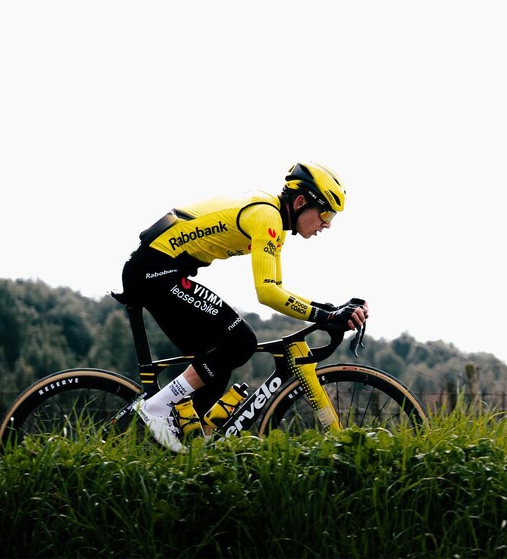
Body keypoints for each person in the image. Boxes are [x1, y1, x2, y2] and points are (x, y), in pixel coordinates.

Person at [120, 161, 369, 452]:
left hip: (158, 271)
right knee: (242, 341)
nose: (326, 224)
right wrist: (327, 314)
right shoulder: (267, 217)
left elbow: (276, 287)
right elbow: (268, 293)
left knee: (217, 363)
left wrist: (327, 309)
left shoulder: (269, 214)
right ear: (301, 202)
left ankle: (184, 449)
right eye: (325, 213)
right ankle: (157, 408)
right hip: (155, 272)